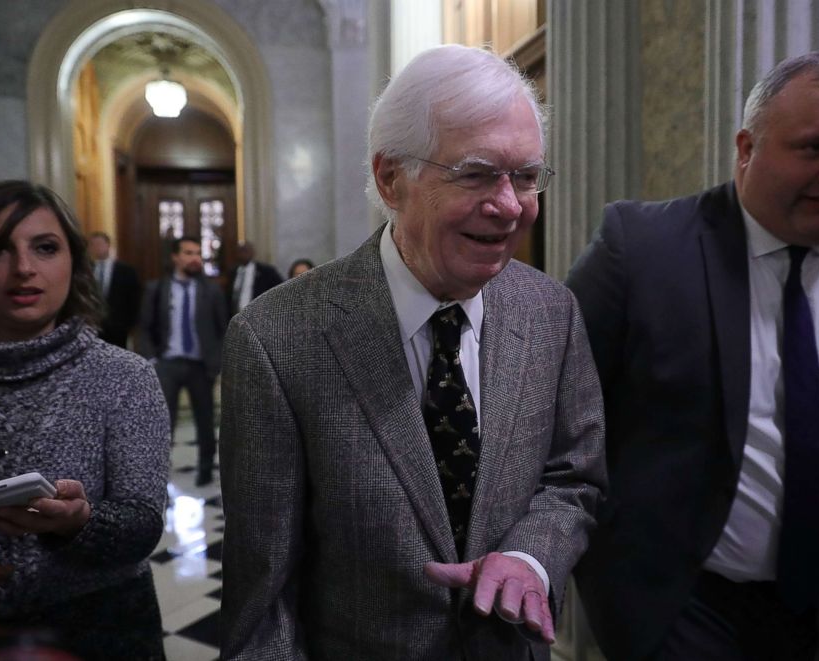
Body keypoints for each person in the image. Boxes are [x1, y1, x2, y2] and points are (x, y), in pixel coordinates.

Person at [568, 51, 819, 661]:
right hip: (671, 599)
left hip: (816, 604)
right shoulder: (641, 251)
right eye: (814, 148)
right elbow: (551, 407)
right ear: (746, 149)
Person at [219, 44, 606, 659]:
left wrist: (532, 557)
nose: (510, 205)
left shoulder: (551, 313)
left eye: (527, 176)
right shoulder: (278, 338)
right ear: (391, 179)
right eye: (476, 173)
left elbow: (574, 478)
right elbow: (264, 598)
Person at [0, 180, 170, 660]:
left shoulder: (123, 376)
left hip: (100, 630)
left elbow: (142, 524)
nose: (24, 269)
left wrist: (79, 521)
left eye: (45, 248)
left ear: (73, 261)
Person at [138, 236, 228, 486]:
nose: (194, 258)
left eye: (197, 253)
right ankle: (158, 471)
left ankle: (206, 469)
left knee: (205, 419)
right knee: (163, 421)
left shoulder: (211, 290)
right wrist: (152, 359)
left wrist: (217, 361)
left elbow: (224, 327)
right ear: (175, 257)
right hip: (167, 364)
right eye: (188, 253)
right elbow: (144, 327)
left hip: (201, 365)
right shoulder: (157, 288)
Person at [86, 231, 141, 348]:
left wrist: (130, 325)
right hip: (92, 327)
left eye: (100, 244)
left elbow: (134, 299)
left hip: (118, 328)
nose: (97, 247)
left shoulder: (126, 271)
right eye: (94, 245)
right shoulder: (85, 270)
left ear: (108, 245)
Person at [226, 241, 283, 316]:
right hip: (236, 316)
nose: (243, 254)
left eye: (246, 251)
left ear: (253, 252)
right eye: (240, 251)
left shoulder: (266, 271)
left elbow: (280, 290)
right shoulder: (233, 272)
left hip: (259, 316)